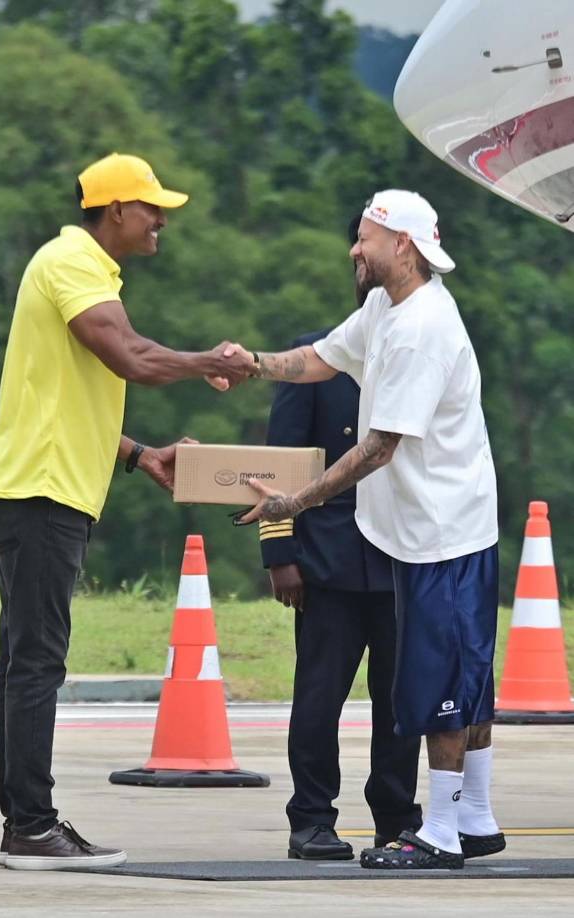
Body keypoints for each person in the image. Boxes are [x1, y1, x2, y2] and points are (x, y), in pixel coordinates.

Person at [0, 152, 253, 871]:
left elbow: (70, 398)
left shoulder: (82, 267)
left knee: (22, 661)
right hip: (43, 491)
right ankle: (32, 828)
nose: (161, 220)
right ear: (115, 212)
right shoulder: (73, 263)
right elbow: (130, 356)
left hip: (42, 484)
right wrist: (208, 360)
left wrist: (139, 455)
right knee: (37, 661)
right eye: (152, 207)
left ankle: (26, 821)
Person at [229, 189, 504, 870]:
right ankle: (473, 816)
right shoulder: (386, 308)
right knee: (453, 676)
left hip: (441, 534)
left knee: (437, 685)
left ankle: (438, 830)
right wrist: (252, 363)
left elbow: (379, 448)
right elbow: (320, 357)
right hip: (412, 536)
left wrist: (293, 504)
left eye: (366, 238)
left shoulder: (420, 328)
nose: (355, 248)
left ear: (402, 246)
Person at [260, 216, 421, 862]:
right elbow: (277, 466)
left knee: (398, 699)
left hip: (398, 558)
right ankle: (312, 820)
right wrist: (280, 553)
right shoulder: (316, 359)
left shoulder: (416, 357)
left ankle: (395, 817)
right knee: (319, 696)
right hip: (325, 560)